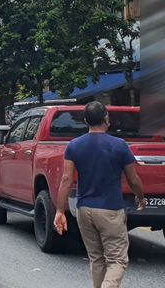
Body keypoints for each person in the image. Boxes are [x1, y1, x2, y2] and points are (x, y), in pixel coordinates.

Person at [55, 101, 145, 288]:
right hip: (110, 209)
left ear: (86, 121)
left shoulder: (74, 146)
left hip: (84, 209)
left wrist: (60, 211)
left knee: (96, 258)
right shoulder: (119, 145)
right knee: (117, 260)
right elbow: (133, 178)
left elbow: (66, 179)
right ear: (106, 118)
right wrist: (140, 197)